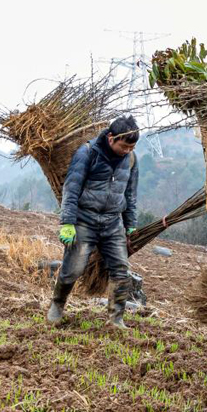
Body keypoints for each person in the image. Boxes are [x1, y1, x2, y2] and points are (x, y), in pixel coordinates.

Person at [46, 116, 140, 329]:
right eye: (124, 146)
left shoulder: (132, 159)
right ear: (110, 138)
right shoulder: (87, 153)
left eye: (131, 147)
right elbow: (71, 188)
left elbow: (131, 193)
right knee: (73, 269)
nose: (127, 151)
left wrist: (131, 223)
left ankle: (116, 319)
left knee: (121, 270)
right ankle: (57, 306)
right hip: (85, 221)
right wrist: (67, 222)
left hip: (112, 222)